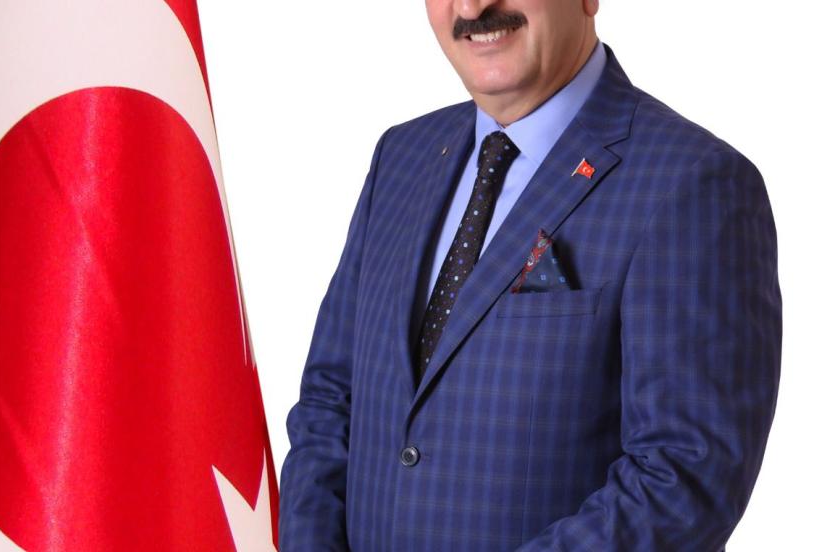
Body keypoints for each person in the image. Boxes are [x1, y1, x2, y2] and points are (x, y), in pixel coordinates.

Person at [278, 1, 782, 550]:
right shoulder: (401, 155)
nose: (472, 7)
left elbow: (683, 480)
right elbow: (330, 401)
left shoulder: (694, 182)